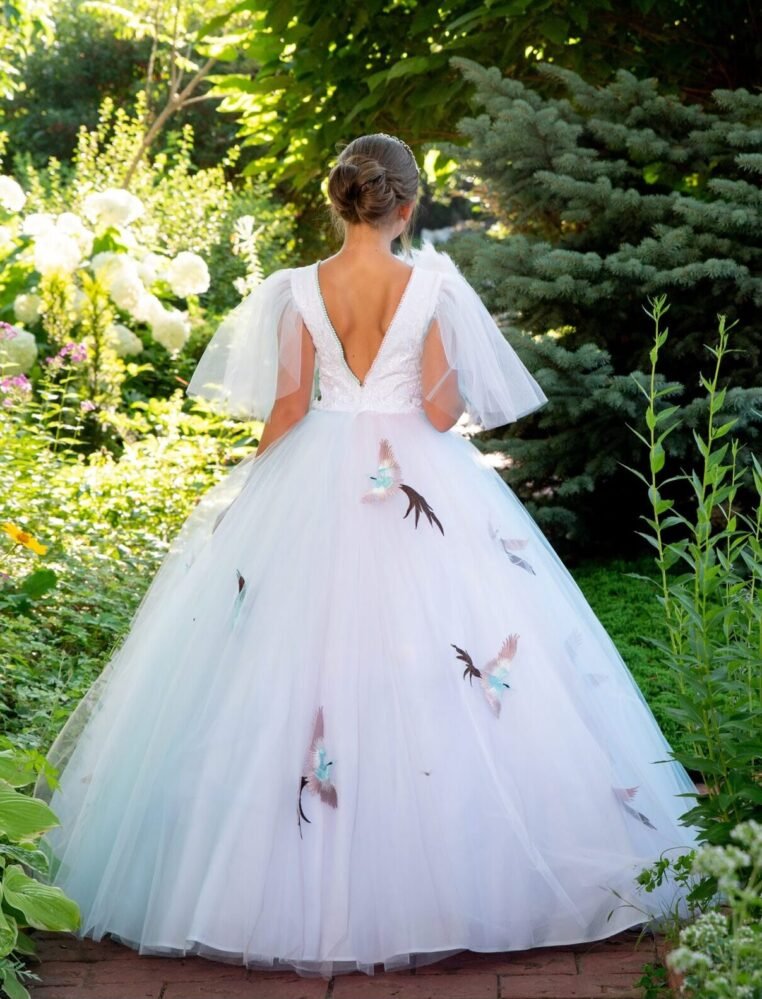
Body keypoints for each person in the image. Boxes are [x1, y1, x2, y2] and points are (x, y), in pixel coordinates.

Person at [34, 132, 701, 980]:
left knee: (293, 655)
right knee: (440, 648)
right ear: (408, 206)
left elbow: (285, 404)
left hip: (314, 464)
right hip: (414, 477)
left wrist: (245, 499)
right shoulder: (428, 285)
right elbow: (438, 414)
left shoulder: (296, 288)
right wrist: (441, 354)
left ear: (340, 201)